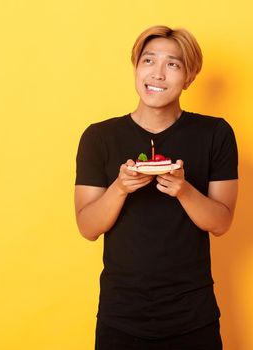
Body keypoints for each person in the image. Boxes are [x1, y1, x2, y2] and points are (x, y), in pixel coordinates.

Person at [74, 25, 238, 349]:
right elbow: (87, 227)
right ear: (136, 67)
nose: (158, 74)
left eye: (173, 64)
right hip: (120, 317)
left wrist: (183, 189)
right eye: (149, 61)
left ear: (189, 76)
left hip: (194, 316)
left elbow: (221, 223)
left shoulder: (215, 134)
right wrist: (120, 188)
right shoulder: (99, 137)